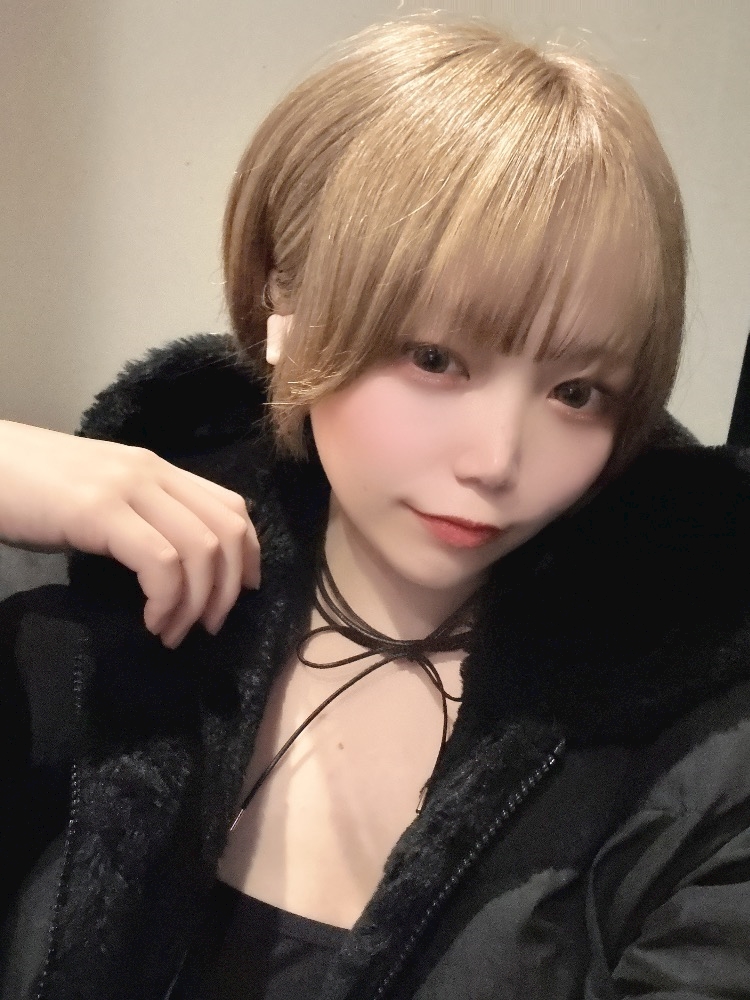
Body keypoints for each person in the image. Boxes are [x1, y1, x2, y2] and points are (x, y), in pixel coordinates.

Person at [3, 15, 750, 1000]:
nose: (496, 462)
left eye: (577, 392)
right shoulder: (87, 615)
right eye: (435, 358)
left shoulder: (698, 753)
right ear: (285, 306)